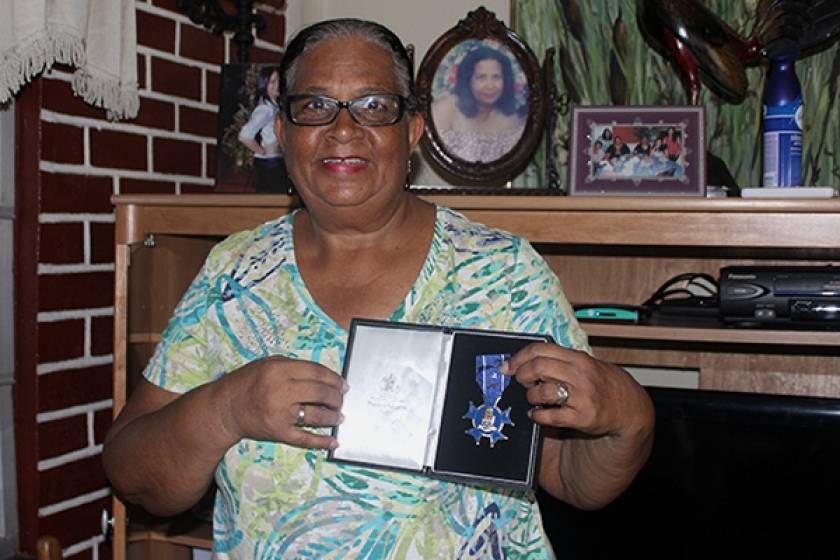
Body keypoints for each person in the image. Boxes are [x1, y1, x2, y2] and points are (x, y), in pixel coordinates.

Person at [103, 18, 654, 559]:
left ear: (411, 130)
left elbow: (573, 479)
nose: (343, 129)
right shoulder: (235, 274)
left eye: (373, 105)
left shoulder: (502, 273)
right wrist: (226, 409)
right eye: (315, 105)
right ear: (281, 131)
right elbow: (136, 477)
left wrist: (629, 418)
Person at [431, 45, 526, 162]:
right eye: (481, 77)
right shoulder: (446, 109)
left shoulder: (511, 120)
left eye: (496, 77)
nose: (490, 85)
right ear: (468, 80)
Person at [238, 65, 287, 193]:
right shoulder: (265, 110)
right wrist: (262, 151)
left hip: (274, 161)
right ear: (264, 84)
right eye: (272, 82)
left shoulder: (273, 105)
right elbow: (244, 135)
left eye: (278, 81)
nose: (276, 85)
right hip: (270, 164)